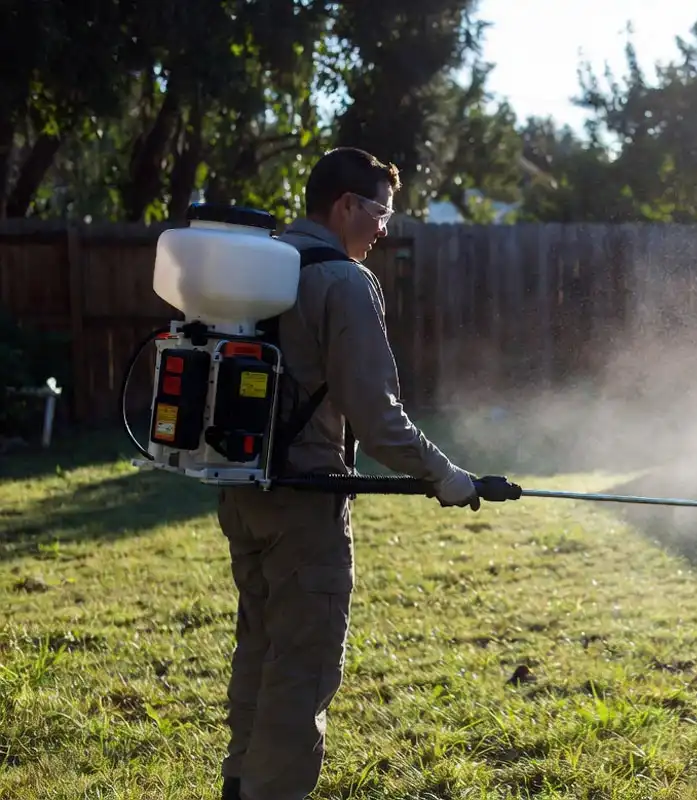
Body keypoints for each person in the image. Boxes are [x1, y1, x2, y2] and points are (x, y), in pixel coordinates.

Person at [217, 147, 480, 800]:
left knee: (261, 648)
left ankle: (238, 783)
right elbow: (378, 415)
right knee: (302, 668)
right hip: (305, 504)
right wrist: (446, 475)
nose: (385, 228)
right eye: (381, 212)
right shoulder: (343, 282)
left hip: (241, 490)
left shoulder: (260, 267)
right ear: (345, 206)